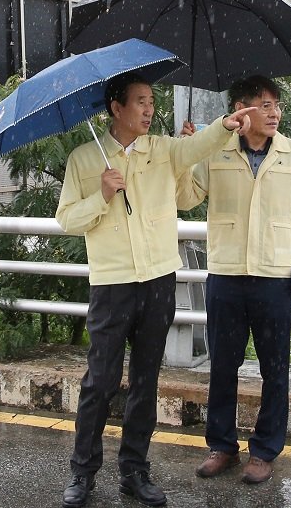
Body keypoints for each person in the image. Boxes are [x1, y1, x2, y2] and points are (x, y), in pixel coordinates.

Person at [55, 72, 255, 508]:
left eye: (152, 101)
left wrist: (224, 126)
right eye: (140, 102)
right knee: (100, 383)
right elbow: (67, 219)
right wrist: (101, 196)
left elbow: (194, 149)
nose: (149, 109)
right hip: (111, 284)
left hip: (159, 279)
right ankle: (82, 473)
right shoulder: (85, 159)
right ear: (116, 109)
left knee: (146, 382)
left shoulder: (163, 150)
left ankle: (134, 471)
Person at [178, 75, 291, 485]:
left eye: (277, 105)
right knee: (223, 364)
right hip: (226, 272)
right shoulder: (215, 147)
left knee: (275, 368)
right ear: (241, 108)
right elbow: (186, 199)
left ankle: (264, 451)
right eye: (265, 104)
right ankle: (222, 446)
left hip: (275, 274)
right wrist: (188, 153)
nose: (274, 112)